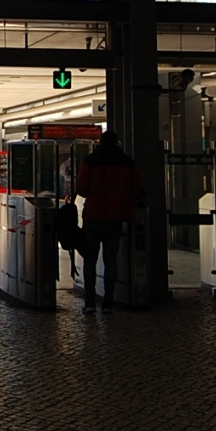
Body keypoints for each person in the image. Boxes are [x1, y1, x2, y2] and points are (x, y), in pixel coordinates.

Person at [75, 130, 146, 315]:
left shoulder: (89, 161)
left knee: (90, 260)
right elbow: (138, 188)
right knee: (110, 260)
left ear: (100, 142)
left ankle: (90, 302)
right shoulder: (128, 163)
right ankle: (108, 302)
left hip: (93, 217)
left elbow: (81, 189)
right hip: (116, 217)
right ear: (117, 143)